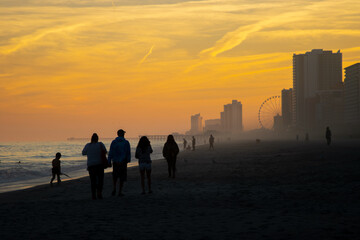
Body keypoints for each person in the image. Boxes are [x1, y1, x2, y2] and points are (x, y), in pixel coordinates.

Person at [82, 133, 107, 200]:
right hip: (99, 164)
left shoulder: (88, 145)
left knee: (93, 181)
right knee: (100, 180)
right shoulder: (100, 144)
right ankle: (99, 193)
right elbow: (105, 151)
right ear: (97, 138)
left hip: (91, 165)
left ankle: (93, 195)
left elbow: (83, 153)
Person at [108, 129, 131, 197]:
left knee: (115, 176)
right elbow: (128, 152)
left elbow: (110, 152)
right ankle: (119, 191)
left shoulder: (114, 142)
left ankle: (114, 187)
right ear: (123, 134)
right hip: (123, 162)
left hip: (115, 161)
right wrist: (128, 160)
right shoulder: (126, 142)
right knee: (122, 177)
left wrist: (109, 161)